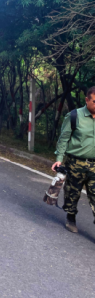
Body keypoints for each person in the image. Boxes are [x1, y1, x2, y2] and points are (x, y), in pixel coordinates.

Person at [52, 86, 95, 233]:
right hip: (75, 163)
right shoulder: (74, 116)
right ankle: (71, 217)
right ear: (87, 100)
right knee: (72, 193)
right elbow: (63, 139)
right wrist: (59, 158)